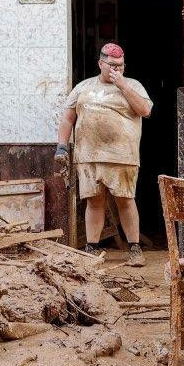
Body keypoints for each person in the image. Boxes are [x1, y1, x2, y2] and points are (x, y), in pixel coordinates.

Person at [55, 43, 153, 266]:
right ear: (100, 64)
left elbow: (145, 111)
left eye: (120, 66)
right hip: (88, 156)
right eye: (111, 65)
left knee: (126, 202)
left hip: (122, 157)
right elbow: (68, 119)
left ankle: (134, 249)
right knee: (94, 202)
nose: (116, 70)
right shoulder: (83, 87)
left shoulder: (133, 85)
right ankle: (92, 248)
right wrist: (62, 145)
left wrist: (123, 86)